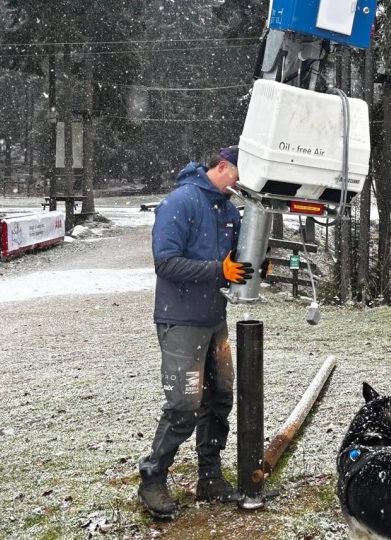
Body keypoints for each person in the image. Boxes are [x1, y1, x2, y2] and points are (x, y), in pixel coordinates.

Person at [138, 146, 255, 519]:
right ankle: (153, 478)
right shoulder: (181, 202)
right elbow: (166, 262)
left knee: (220, 397)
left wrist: (255, 263)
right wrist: (218, 271)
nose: (240, 185)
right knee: (184, 406)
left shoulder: (226, 208)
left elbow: (236, 257)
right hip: (181, 322)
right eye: (237, 176)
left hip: (213, 319)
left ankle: (210, 475)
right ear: (222, 167)